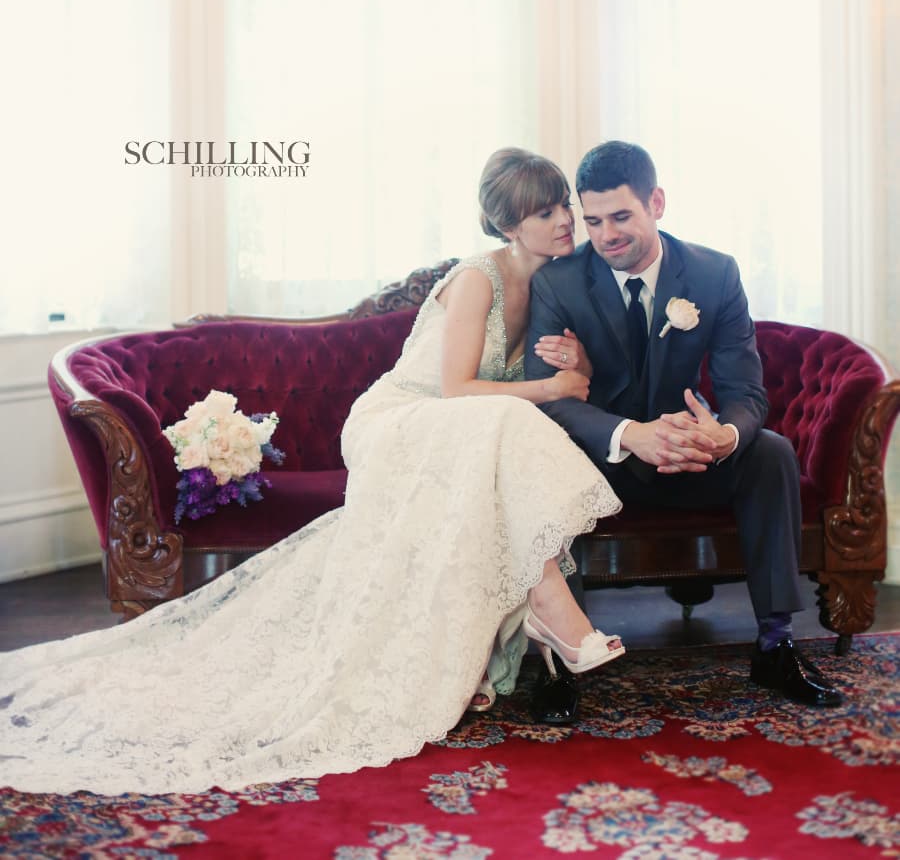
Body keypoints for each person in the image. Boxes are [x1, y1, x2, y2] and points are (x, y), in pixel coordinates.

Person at [0, 148, 625, 796]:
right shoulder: (478, 279)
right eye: (545, 212)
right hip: (399, 422)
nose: (564, 222)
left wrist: (570, 360)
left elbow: (554, 379)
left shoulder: (553, 283)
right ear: (508, 225)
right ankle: (550, 603)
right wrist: (551, 391)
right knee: (508, 424)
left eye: (562, 208)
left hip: (459, 430)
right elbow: (460, 389)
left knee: (495, 451)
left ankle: (484, 646)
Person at [525, 140, 842, 723]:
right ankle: (554, 664)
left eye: (622, 217)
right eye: (593, 221)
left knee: (769, 452)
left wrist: (723, 435)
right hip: (600, 462)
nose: (606, 235)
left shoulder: (714, 273)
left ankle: (776, 644)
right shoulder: (559, 284)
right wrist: (631, 434)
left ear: (657, 203)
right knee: (538, 462)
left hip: (691, 453)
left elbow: (747, 393)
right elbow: (547, 402)